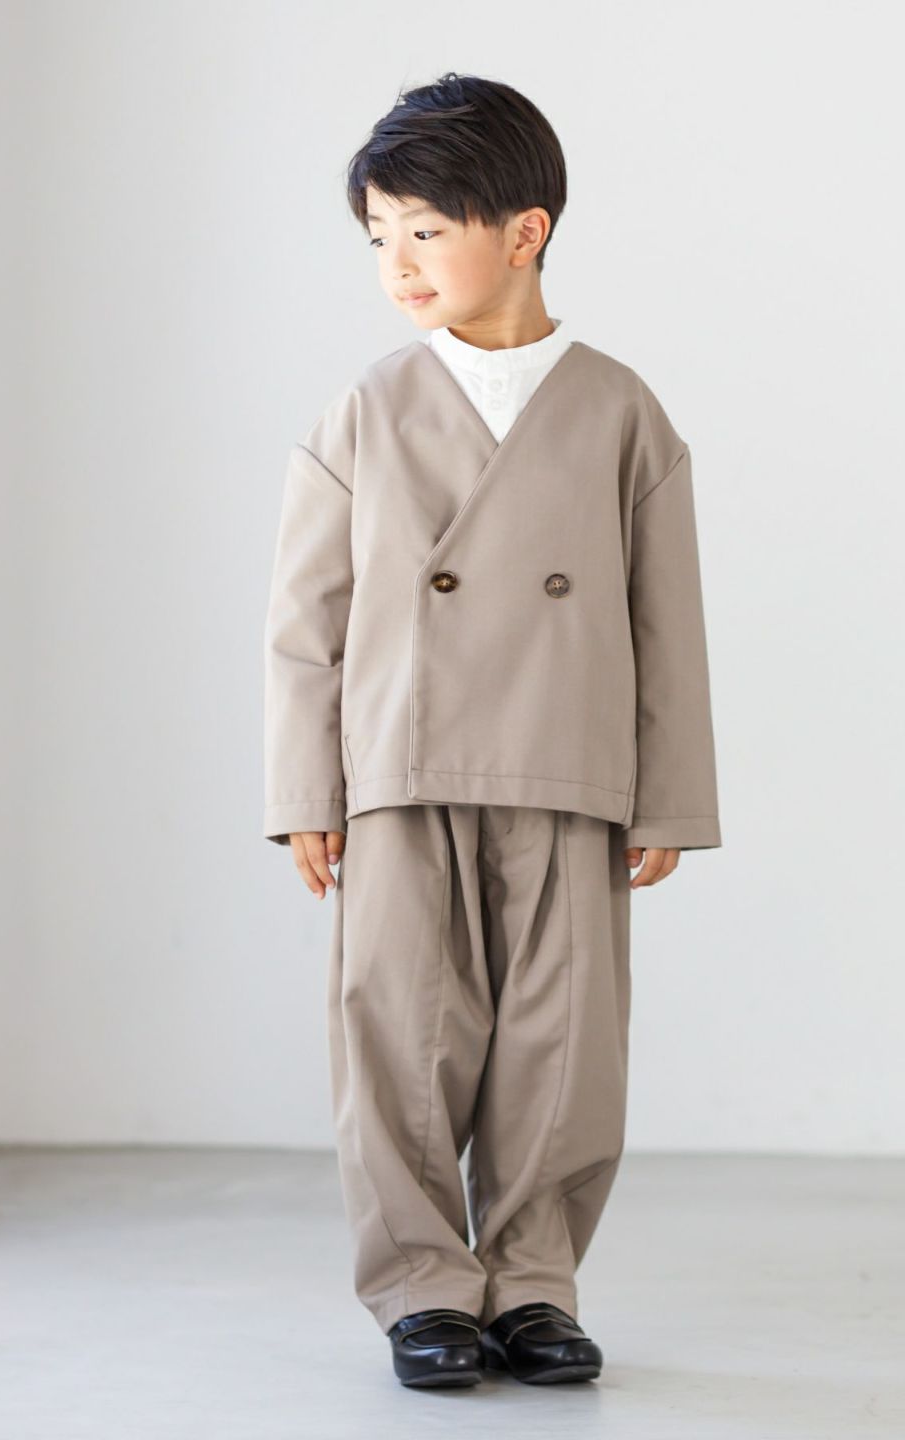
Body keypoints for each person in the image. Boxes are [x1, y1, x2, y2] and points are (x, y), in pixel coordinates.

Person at [262, 71, 721, 1391]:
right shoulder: (366, 409)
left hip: (572, 765)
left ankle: (532, 1282)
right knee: (401, 1033)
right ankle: (423, 1286)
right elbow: (305, 622)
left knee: (563, 1043)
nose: (399, 266)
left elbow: (666, 619)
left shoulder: (622, 409)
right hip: (401, 765)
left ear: (525, 231)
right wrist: (307, 790)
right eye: (379, 238)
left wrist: (670, 797)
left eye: (425, 230)